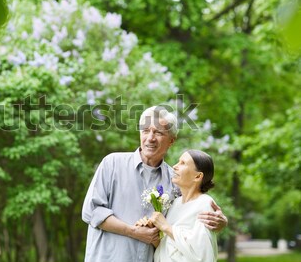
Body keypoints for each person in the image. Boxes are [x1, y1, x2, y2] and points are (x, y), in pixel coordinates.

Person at [81, 106, 227, 262]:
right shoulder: (112, 164)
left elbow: (190, 218)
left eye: (158, 132)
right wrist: (133, 231)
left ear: (171, 140)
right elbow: (92, 211)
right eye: (145, 130)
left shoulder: (176, 181)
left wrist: (220, 223)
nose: (150, 138)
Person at [147, 150, 218, 262]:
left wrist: (166, 227)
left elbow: (202, 254)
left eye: (183, 163)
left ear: (198, 176)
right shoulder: (175, 203)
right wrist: (153, 234)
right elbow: (169, 246)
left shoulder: (205, 204)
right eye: (178, 162)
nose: (175, 166)